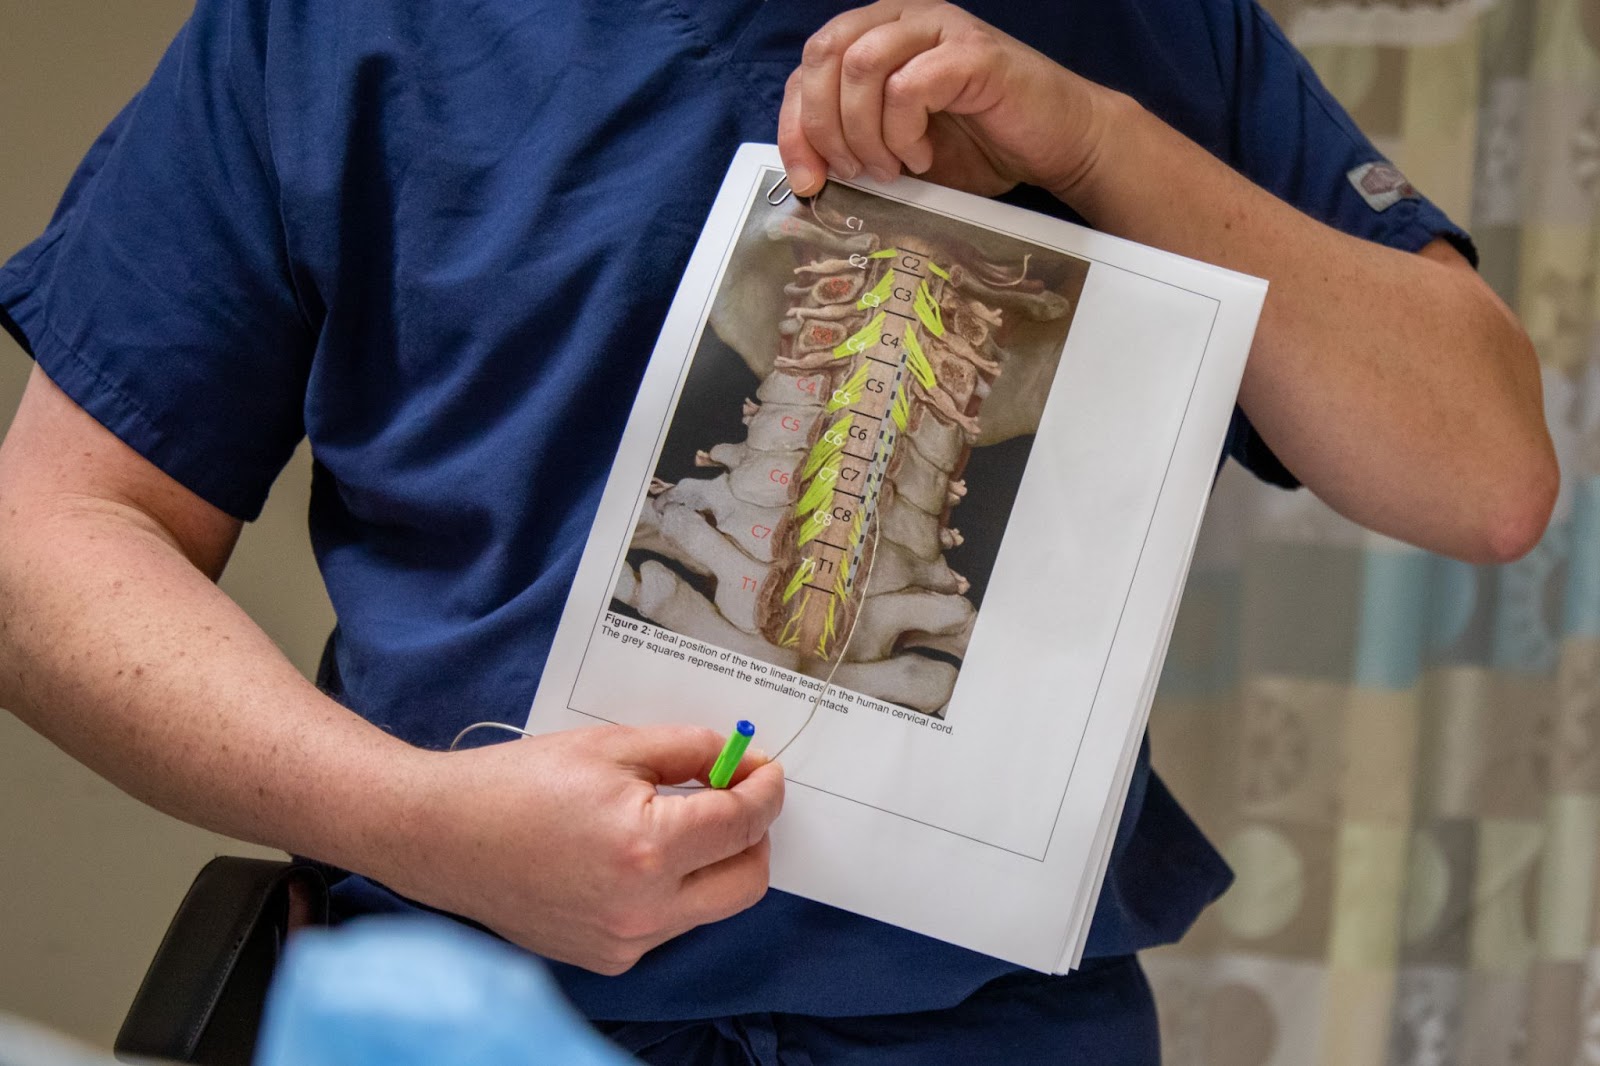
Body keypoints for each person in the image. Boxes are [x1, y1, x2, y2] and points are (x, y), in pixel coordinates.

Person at [0, 0, 1555, 1061]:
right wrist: (414, 815)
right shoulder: (336, 28)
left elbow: (1485, 471)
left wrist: (1104, 146)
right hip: (473, 994)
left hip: (985, 1028)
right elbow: (49, 535)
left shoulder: (1129, 24)